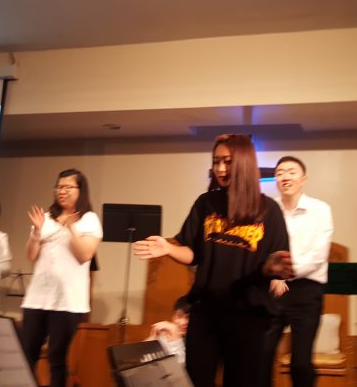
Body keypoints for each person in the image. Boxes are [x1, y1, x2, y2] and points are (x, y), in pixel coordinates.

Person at [134, 134, 294, 387]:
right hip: (206, 313)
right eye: (216, 161)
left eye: (227, 162)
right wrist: (168, 248)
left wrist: (272, 267)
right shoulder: (206, 203)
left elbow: (273, 262)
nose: (220, 169)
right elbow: (192, 253)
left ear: (243, 163)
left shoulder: (268, 211)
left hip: (248, 316)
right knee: (196, 380)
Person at [21, 169, 103, 387]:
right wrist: (37, 232)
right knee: (26, 354)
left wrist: (71, 229)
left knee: (57, 358)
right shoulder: (46, 218)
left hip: (68, 302)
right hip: (37, 298)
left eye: (68, 187)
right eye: (59, 186)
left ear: (80, 190)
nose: (62, 191)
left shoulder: (89, 219)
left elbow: (85, 255)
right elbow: (31, 256)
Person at [264, 156, 333, 387]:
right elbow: (262, 249)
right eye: (280, 173)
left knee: (301, 363)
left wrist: (284, 274)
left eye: (291, 172)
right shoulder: (268, 210)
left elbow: (318, 256)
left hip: (307, 291)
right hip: (273, 290)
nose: (285, 177)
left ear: (303, 179)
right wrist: (273, 276)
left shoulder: (320, 209)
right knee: (262, 354)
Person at [147, 296, 192, 364]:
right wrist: (152, 341)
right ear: (174, 316)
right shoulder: (166, 335)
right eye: (179, 316)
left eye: (189, 318)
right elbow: (139, 362)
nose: (183, 322)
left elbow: (178, 369)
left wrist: (176, 340)